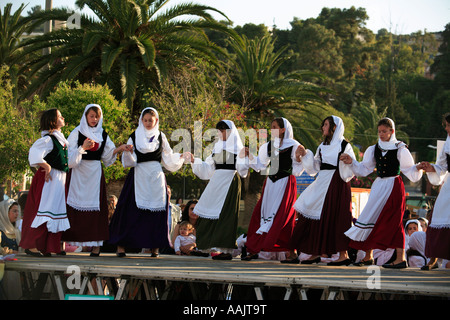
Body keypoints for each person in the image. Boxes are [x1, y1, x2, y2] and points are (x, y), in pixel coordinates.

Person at [341, 118, 423, 268]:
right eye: (379, 131)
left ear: (392, 131)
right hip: (379, 186)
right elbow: (364, 169)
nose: (381, 134)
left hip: (394, 186)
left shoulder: (400, 148)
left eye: (384, 131)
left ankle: (400, 258)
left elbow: (409, 170)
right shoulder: (374, 149)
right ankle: (368, 256)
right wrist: (351, 162)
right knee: (371, 216)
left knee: (395, 221)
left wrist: (418, 168)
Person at [108, 107, 184, 257]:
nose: (148, 122)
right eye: (146, 120)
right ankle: (121, 247)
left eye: (151, 120)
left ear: (156, 121)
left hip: (155, 177)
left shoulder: (161, 136)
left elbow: (168, 157)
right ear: (141, 121)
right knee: (128, 210)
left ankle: (155, 247)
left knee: (155, 213)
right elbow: (128, 162)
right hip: (138, 176)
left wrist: (180, 157)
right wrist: (129, 152)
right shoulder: (135, 136)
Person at [62, 104, 131, 257]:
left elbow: (107, 156)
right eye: (91, 116)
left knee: (97, 209)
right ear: (86, 116)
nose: (94, 119)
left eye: (97, 116)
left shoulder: (103, 134)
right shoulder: (77, 131)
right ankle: (64, 242)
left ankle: (96, 247)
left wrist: (119, 149)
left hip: (94, 174)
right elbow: (67, 152)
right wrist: (83, 147)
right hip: (78, 172)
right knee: (71, 207)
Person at [286, 115, 356, 265]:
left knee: (338, 217)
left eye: (325, 125)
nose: (322, 128)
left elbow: (351, 166)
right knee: (311, 214)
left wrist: (346, 161)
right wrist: (305, 155)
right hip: (322, 182)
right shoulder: (322, 146)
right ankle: (314, 252)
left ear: (334, 127)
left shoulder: (344, 145)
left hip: (337, 183)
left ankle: (343, 254)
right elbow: (315, 167)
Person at [239, 117, 304, 261]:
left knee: (284, 218)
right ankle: (253, 249)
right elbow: (260, 165)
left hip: (286, 184)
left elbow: (298, 169)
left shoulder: (294, 145)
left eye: (274, 126)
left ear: (283, 130)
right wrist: (250, 156)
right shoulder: (268, 146)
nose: (271, 129)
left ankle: (291, 252)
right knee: (260, 215)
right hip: (270, 184)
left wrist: (300, 158)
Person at [183, 120, 249, 260]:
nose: (221, 133)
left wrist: (244, 156)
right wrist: (195, 161)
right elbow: (207, 170)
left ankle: (226, 251)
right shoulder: (216, 148)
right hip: (216, 182)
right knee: (206, 212)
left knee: (226, 217)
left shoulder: (238, 148)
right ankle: (203, 247)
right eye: (219, 130)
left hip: (229, 182)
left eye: (224, 130)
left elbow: (242, 171)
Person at [20, 109, 70, 257]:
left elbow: (67, 161)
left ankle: (48, 246)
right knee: (43, 211)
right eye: (60, 116)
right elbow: (34, 154)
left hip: (58, 179)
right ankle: (32, 245)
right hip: (48, 179)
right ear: (53, 121)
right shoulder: (48, 139)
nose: (63, 118)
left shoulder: (60, 140)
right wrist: (46, 165)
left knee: (54, 212)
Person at [420, 112, 450, 270]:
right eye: (446, 125)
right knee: (437, 216)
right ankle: (433, 259)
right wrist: (431, 168)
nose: (446, 129)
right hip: (449, 184)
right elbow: (442, 166)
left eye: (448, 125)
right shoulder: (448, 142)